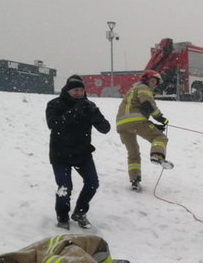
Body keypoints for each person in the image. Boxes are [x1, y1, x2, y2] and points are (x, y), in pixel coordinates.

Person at [46, 76, 111, 229]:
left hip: (82, 154)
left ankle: (80, 212)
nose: (79, 93)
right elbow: (53, 125)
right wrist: (74, 112)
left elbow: (105, 129)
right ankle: (62, 217)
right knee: (65, 188)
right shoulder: (54, 104)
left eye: (81, 90)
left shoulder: (89, 105)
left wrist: (95, 115)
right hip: (60, 154)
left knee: (93, 183)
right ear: (67, 90)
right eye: (75, 90)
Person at [115, 69, 174, 192]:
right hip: (135, 121)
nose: (154, 84)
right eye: (152, 81)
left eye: (156, 82)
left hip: (122, 125)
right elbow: (147, 104)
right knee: (160, 138)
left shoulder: (133, 89)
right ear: (146, 80)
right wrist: (160, 118)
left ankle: (134, 180)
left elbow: (136, 109)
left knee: (133, 152)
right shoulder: (143, 88)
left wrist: (153, 124)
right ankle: (157, 156)